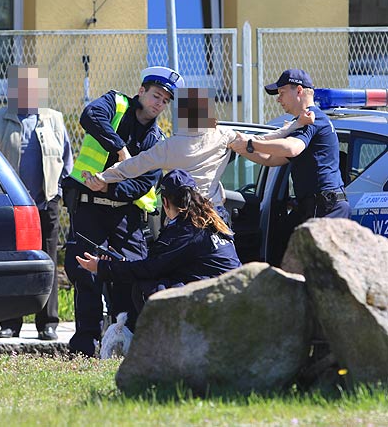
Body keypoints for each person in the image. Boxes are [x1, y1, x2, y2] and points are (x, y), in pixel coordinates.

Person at [62, 66, 184, 357]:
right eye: (156, 96)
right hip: (89, 212)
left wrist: (109, 189)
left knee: (129, 276)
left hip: (126, 218)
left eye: (165, 100)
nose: (159, 104)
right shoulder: (115, 104)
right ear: (141, 91)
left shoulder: (156, 140)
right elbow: (90, 116)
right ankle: (85, 348)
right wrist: (119, 149)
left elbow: (145, 183)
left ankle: (128, 345)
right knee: (86, 275)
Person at [82, 87, 314, 226]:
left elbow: (132, 166)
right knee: (219, 269)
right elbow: (265, 139)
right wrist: (295, 125)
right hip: (213, 216)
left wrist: (103, 178)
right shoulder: (223, 135)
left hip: (180, 218)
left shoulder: (169, 146)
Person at [0, 65, 73, 341]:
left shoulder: (54, 119)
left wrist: (59, 192)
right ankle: (10, 322)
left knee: (46, 262)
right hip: (11, 208)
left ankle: (48, 322)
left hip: (46, 204)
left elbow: (66, 160)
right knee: (12, 262)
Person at [76, 169, 242, 314]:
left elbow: (150, 269)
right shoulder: (215, 217)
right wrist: (122, 263)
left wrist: (102, 267)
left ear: (165, 202)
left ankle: (167, 345)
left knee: (147, 287)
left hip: (218, 301)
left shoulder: (184, 231)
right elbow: (163, 264)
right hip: (236, 292)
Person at [230, 69, 350, 223]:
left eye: (282, 92)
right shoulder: (302, 122)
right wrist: (238, 147)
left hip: (324, 208)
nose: (278, 99)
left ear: (299, 90)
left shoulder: (312, 119)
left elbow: (291, 149)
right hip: (320, 206)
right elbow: (271, 159)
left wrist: (251, 143)